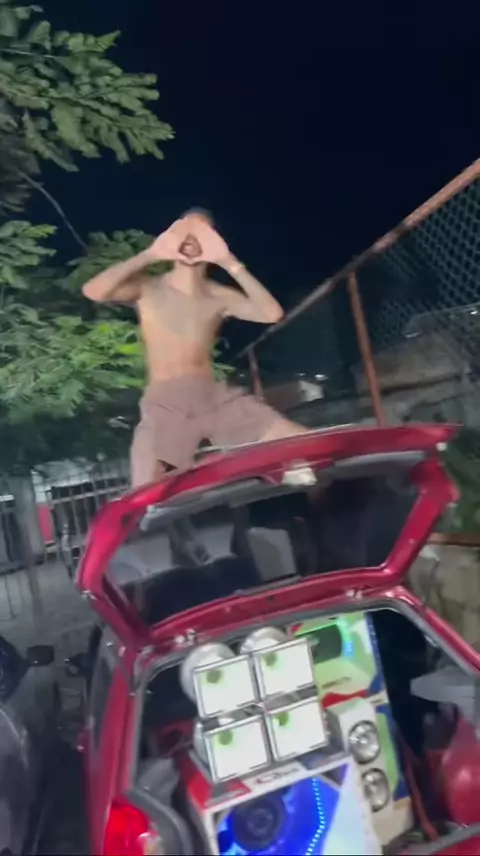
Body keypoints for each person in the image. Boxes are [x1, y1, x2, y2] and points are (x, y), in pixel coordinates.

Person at [82, 209, 307, 486]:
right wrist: (150, 254)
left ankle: (303, 486)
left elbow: (271, 313)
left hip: (213, 397)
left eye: (201, 233)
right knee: (147, 489)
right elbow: (94, 291)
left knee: (301, 442)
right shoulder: (150, 288)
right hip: (166, 403)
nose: (191, 238)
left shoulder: (219, 295)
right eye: (184, 232)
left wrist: (228, 261)